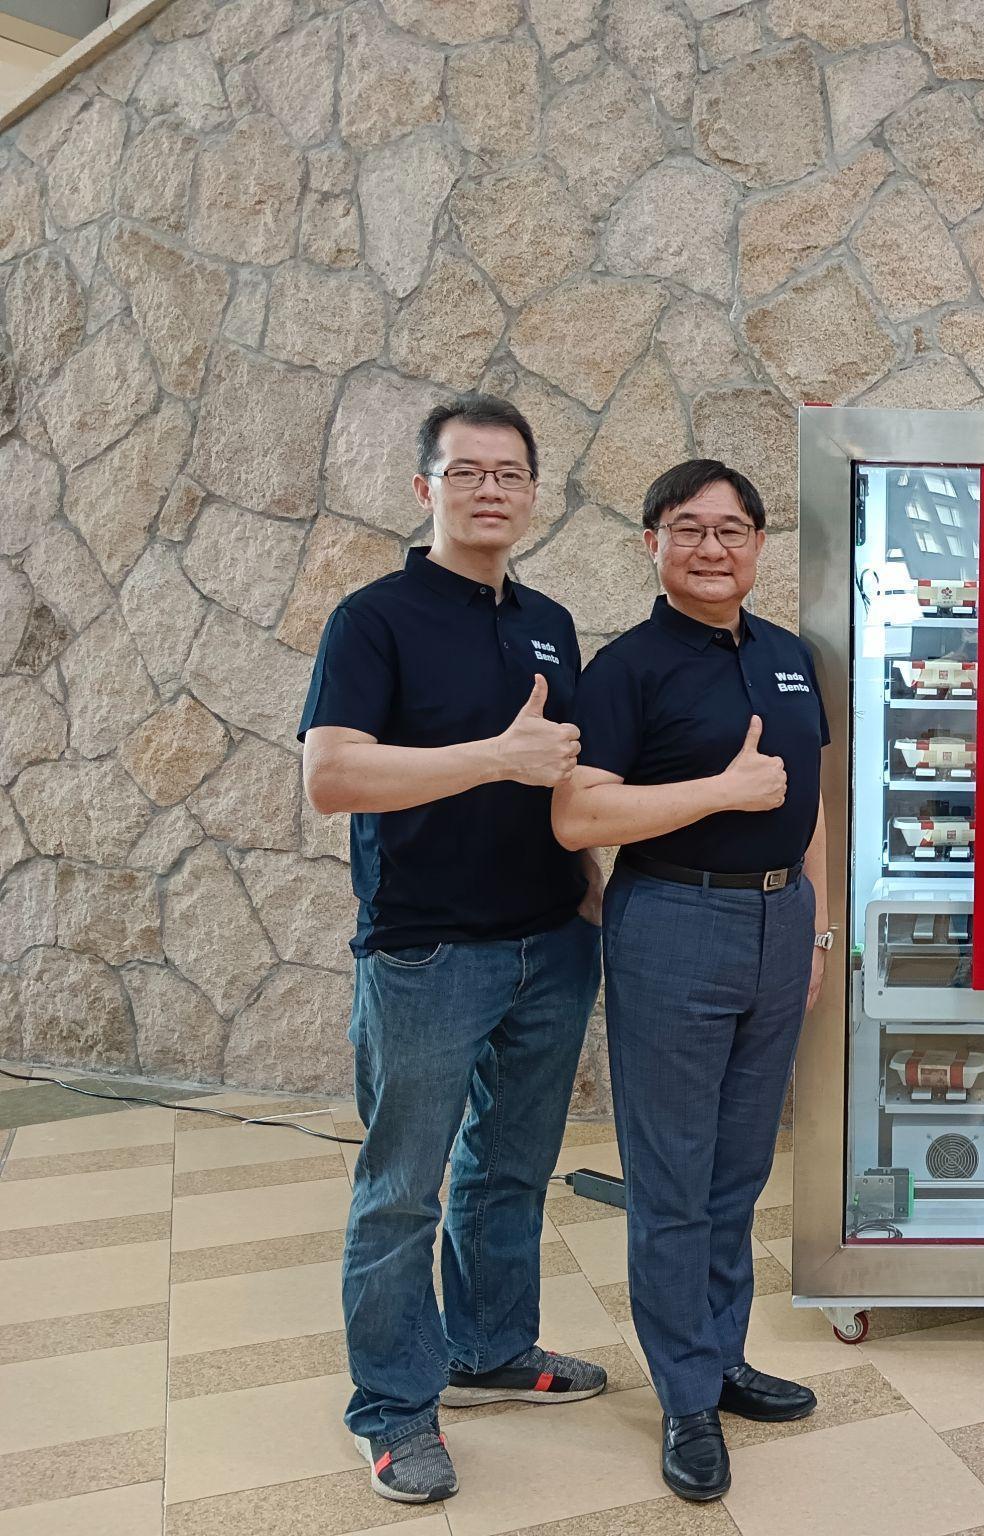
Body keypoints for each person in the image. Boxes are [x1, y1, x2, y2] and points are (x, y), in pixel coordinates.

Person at [300, 395, 609, 1506]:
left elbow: (559, 777)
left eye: (510, 473)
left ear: (532, 493)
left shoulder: (549, 622)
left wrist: (584, 893)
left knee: (508, 1171)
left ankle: (487, 1349)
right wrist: (491, 756)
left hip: (545, 945)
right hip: (426, 954)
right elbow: (331, 775)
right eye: (467, 471)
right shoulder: (373, 619)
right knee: (401, 1192)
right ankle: (390, 1410)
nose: (491, 489)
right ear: (424, 488)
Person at [552, 459, 832, 1504]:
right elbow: (579, 819)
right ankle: (681, 1395)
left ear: (759, 545)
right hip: (674, 919)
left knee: (736, 1170)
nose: (712, 549)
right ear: (652, 544)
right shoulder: (625, 669)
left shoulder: (790, 659)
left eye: (732, 530)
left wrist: (816, 929)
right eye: (688, 530)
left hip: (777, 922)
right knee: (671, 1179)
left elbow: (812, 801)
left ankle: (720, 1356)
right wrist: (719, 790)